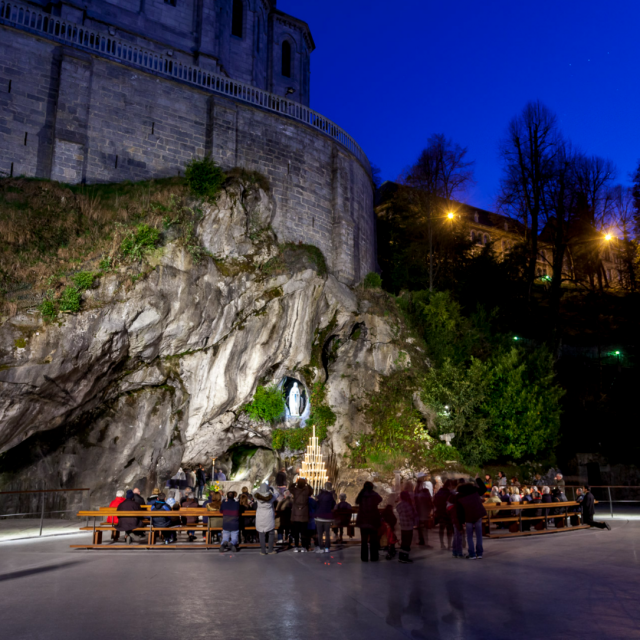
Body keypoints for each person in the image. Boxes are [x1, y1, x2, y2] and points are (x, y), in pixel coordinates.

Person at [457, 482, 487, 559]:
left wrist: (461, 522)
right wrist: (478, 479)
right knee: (479, 535)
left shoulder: (460, 497)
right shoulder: (476, 493)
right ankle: (479, 553)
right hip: (478, 515)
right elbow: (484, 488)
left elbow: (460, 511)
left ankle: (472, 554)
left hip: (468, 517)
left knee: (469, 536)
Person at [355, 481, 382, 562]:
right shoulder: (374, 495)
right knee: (373, 540)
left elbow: (357, 502)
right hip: (373, 520)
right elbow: (380, 499)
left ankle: (364, 557)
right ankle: (374, 557)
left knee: (364, 540)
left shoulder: (361, 495)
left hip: (363, 520)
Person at [289, 478, 313, 552]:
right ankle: (303, 546)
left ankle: (296, 546)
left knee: (296, 531)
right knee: (304, 531)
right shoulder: (306, 491)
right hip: (304, 514)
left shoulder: (295, 491)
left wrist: (295, 483)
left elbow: (290, 488)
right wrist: (306, 483)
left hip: (296, 514)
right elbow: (311, 490)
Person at [254, 482, 278, 555]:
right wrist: (272, 488)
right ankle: (270, 549)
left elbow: (254, 492)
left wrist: (259, 489)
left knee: (261, 533)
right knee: (271, 533)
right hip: (269, 516)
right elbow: (277, 493)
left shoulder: (257, 497)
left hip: (260, 516)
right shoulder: (271, 497)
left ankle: (263, 550)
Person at [395, 491, 418, 564]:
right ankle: (405, 557)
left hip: (402, 525)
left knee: (403, 541)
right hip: (408, 525)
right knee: (407, 542)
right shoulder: (408, 505)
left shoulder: (399, 505)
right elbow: (411, 515)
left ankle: (401, 556)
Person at [315, 482, 336, 553]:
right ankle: (327, 547)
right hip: (328, 517)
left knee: (320, 533)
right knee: (327, 533)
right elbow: (333, 505)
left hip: (319, 516)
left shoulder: (320, 495)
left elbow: (316, 503)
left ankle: (321, 547)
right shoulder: (332, 495)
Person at [434, 479, 453, 550]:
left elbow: (435, 501)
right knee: (449, 529)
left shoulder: (439, 492)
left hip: (440, 512)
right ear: (449, 485)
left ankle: (442, 544)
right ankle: (449, 544)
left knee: (441, 529)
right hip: (447, 513)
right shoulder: (449, 493)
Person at [414, 476, 433, 548]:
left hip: (421, 513)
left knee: (422, 528)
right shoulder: (422, 493)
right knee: (423, 528)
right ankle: (424, 541)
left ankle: (423, 541)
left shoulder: (420, 493)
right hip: (423, 513)